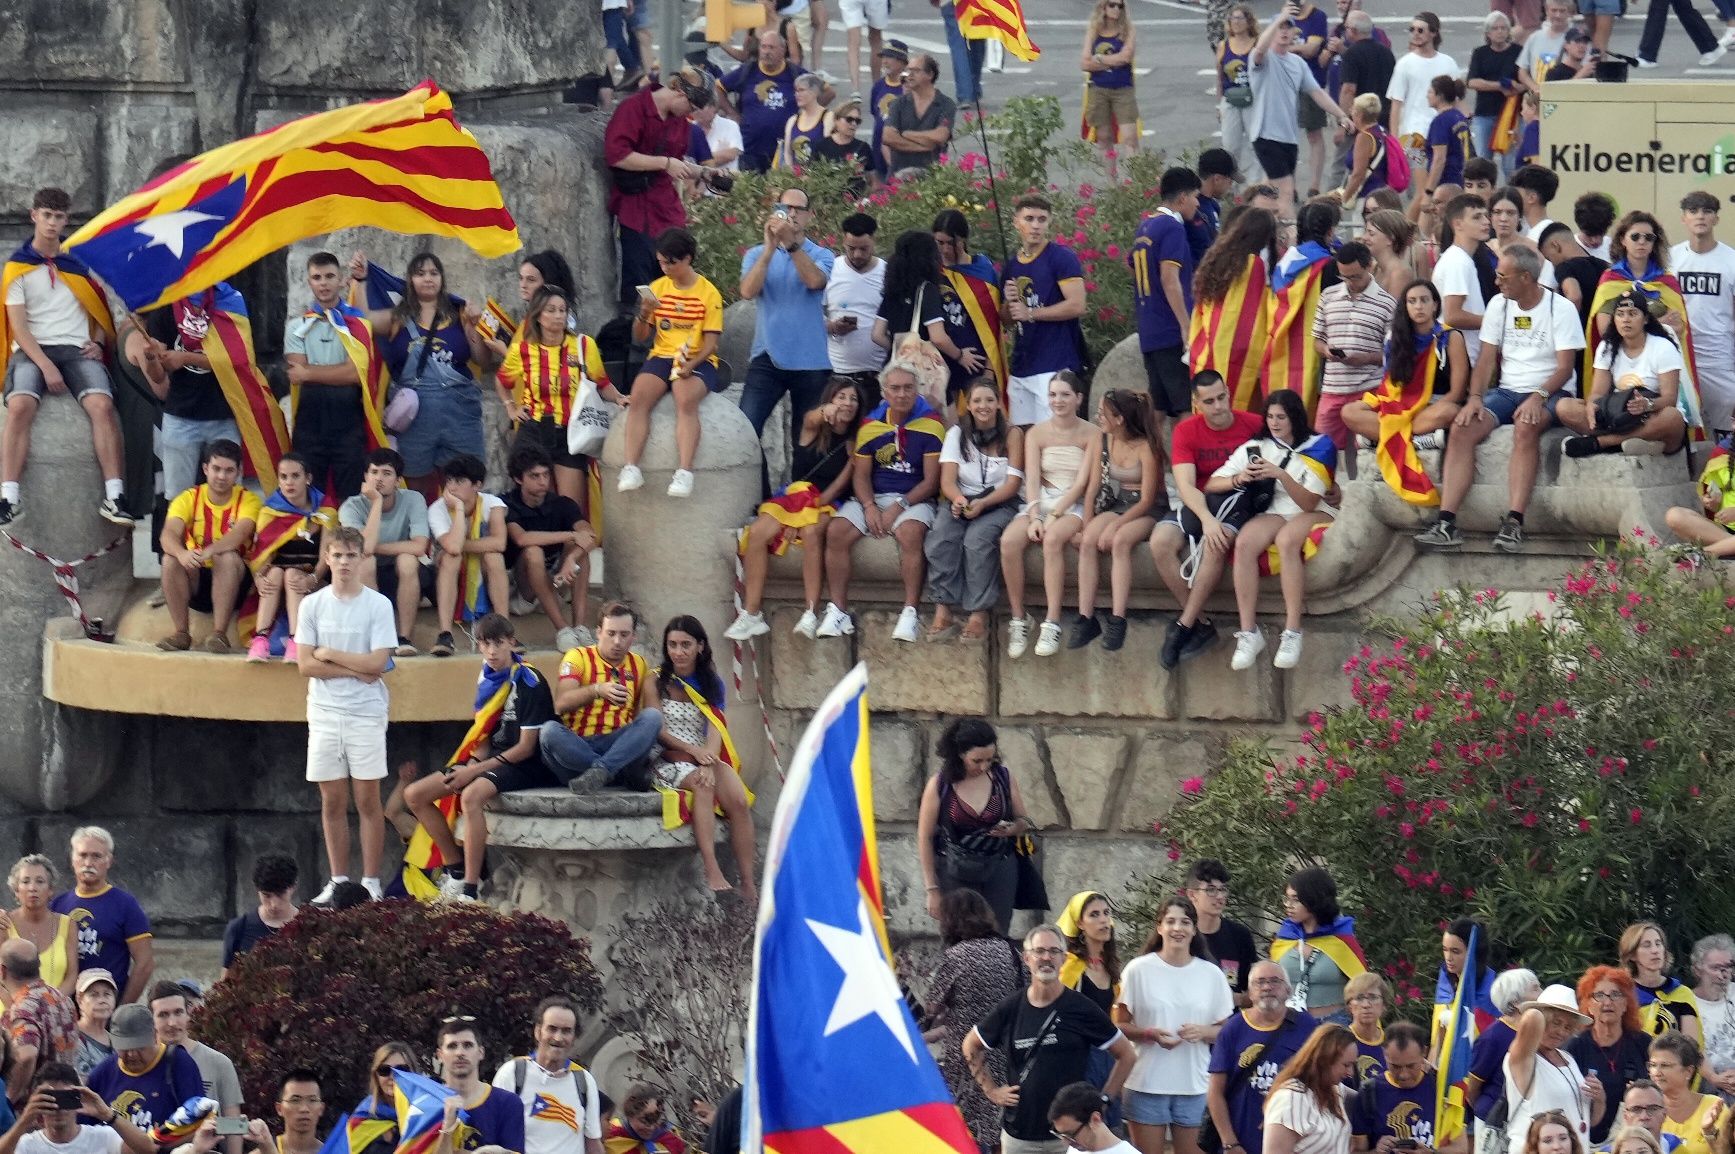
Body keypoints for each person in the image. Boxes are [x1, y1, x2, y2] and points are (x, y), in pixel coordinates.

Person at [1414, 243, 1583, 553]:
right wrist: (1475, 397)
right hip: (1507, 389)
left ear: (1526, 278)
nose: (1497, 282)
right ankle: (1447, 522)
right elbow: (1486, 360)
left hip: (1550, 388)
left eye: (1503, 276)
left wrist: (1538, 396)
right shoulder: (1498, 305)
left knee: (1525, 427)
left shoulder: (1561, 308)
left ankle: (1514, 521)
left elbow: (1565, 367)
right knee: (1463, 428)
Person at [0, 188, 132, 528]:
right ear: (34, 216)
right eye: (47, 215)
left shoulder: (79, 263)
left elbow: (100, 308)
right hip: (34, 350)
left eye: (59, 217)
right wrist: (45, 365)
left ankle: (114, 496)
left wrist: (99, 341)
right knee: (19, 407)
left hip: (76, 348)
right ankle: (8, 498)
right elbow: (18, 327)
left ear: (66, 219)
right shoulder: (17, 267)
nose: (52, 223)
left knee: (103, 406)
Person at [405, 613, 556, 901]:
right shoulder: (486, 674)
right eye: (485, 644)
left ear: (512, 642)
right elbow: (483, 735)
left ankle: (471, 890)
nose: (492, 651)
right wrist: (472, 764)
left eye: (498, 643)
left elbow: (526, 748)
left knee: (471, 796)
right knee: (415, 794)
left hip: (526, 764)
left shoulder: (530, 680)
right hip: (493, 758)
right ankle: (456, 870)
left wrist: (474, 773)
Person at [965, 924, 1137, 1154]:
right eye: (1039, 951)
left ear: (1064, 959)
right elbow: (970, 1045)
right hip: (1020, 1136)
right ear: (1027, 958)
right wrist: (991, 1090)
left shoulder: (1081, 1007)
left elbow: (1126, 1054)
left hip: (1071, 1139)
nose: (1046, 957)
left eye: (1054, 951)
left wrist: (1104, 1099)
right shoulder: (1011, 1007)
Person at [295, 526, 395, 904]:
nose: (343, 562)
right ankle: (338, 880)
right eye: (336, 555)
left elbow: (379, 661)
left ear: (361, 558)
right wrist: (355, 671)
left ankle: (371, 881)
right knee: (332, 801)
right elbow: (306, 664)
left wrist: (330, 653)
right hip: (323, 711)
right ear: (327, 558)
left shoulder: (377, 604)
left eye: (351, 555)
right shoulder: (312, 604)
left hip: (366, 712)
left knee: (368, 800)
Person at [817, 354, 945, 643]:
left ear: (917, 390)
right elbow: (860, 476)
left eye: (908, 388)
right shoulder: (870, 425)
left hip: (915, 498)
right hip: (874, 496)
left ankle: (910, 611)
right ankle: (838, 610)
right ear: (884, 392)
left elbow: (931, 481)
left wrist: (900, 506)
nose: (901, 394)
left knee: (910, 533)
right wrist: (869, 506)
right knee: (836, 531)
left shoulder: (931, 425)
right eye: (895, 388)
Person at [728, 377, 862, 642]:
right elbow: (813, 418)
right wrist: (825, 412)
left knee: (812, 532)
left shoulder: (856, 440)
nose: (847, 403)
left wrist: (803, 517)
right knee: (756, 534)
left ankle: (811, 611)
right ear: (830, 399)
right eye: (842, 397)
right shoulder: (812, 426)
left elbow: (841, 483)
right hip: (796, 494)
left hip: (827, 500)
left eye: (853, 399)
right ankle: (752, 613)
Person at [1152, 370, 1265, 671]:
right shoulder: (1187, 431)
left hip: (1240, 504)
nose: (1218, 406)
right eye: (1210, 401)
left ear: (1228, 392)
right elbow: (1186, 485)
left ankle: (1183, 624)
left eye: (1222, 397)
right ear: (1196, 403)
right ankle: (1200, 623)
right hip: (1201, 502)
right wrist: (1206, 519)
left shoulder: (1253, 424)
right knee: (1160, 542)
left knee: (1217, 544)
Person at [1220, 388, 1338, 671]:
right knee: (1245, 543)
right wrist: (1239, 477)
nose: (1274, 423)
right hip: (1275, 511)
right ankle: (1249, 633)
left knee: (1287, 541)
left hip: (1314, 510)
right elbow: (1214, 482)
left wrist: (1280, 474)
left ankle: (1293, 631)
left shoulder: (1320, 445)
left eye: (1281, 417)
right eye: (1270, 416)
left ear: (1295, 417)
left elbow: (1309, 502)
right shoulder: (1256, 446)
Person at [351, 251, 486, 496]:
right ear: (410, 280)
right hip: (417, 418)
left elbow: (482, 359)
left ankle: (462, 535)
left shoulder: (460, 315)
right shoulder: (398, 318)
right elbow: (363, 322)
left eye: (434, 273)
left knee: (465, 484)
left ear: (442, 279)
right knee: (415, 488)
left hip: (460, 415)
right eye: (420, 273)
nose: (428, 278)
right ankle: (422, 534)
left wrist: (472, 327)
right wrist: (360, 282)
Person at [1115, 896, 1235, 1154]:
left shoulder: (1211, 974)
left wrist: (1203, 1032)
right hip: (1146, 1082)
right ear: (1159, 927)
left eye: (1185, 922)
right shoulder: (1138, 970)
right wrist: (1149, 1034)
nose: (1177, 928)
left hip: (1194, 1084)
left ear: (1194, 928)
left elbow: (1227, 1031)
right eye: (1170, 921)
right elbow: (1119, 1026)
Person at [649, 615, 756, 903]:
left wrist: (708, 760)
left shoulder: (712, 683)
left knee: (739, 801)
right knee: (703, 785)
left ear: (700, 647)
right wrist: (697, 756)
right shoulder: (655, 679)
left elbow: (715, 726)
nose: (678, 651)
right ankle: (712, 869)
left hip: (702, 755)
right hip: (668, 758)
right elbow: (656, 731)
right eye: (672, 645)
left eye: (685, 644)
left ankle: (748, 883)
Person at [999, 371, 1101, 660]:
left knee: (1053, 540)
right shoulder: (1036, 433)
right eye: (1053, 394)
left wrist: (1054, 515)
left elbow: (1083, 483)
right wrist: (1033, 516)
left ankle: (1052, 621)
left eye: (1065, 394)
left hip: (1072, 503)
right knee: (1008, 542)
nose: (1058, 400)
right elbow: (1031, 478)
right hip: (1040, 500)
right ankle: (1019, 619)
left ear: (1078, 398)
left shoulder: (1092, 433)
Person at [496, 284, 622, 512]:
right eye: (551, 310)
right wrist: (510, 407)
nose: (558, 316)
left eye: (562, 310)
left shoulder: (583, 345)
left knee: (570, 507)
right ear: (538, 316)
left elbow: (601, 382)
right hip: (534, 429)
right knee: (531, 502)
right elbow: (502, 380)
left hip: (570, 432)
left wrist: (620, 398)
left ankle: (570, 546)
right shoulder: (522, 349)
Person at [620, 228, 724, 499]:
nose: (665, 268)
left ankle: (684, 471)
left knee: (684, 397)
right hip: (663, 355)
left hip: (697, 357)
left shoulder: (708, 293)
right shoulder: (657, 289)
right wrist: (644, 315)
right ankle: (631, 466)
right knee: (639, 396)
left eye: (670, 262)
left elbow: (712, 343)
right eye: (661, 262)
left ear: (687, 259)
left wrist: (691, 366)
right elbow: (640, 336)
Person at [1342, 279, 1467, 503]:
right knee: (1349, 412)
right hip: (1400, 405)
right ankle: (1416, 438)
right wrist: (1403, 412)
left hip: (1434, 405)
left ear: (1435, 305)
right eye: (1412, 301)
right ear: (1405, 307)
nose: (1418, 306)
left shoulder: (1450, 337)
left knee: (1449, 411)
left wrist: (1418, 410)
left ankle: (1380, 438)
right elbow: (1389, 387)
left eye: (1424, 300)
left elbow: (1457, 392)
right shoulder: (1396, 338)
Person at [923, 889, 1028, 1154]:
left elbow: (932, 1007)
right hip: (1005, 1055)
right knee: (1000, 1130)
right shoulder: (1012, 952)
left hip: (966, 1060)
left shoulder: (956, 956)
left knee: (964, 1132)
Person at [925, 381, 1024, 644]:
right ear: (968, 405)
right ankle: (943, 609)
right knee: (941, 536)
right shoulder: (957, 434)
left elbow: (1013, 483)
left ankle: (978, 613)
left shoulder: (1012, 434)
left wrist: (984, 504)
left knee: (977, 540)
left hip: (1000, 501)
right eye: (977, 401)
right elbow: (947, 481)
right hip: (962, 497)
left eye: (989, 400)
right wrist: (958, 500)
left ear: (998, 404)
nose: (984, 406)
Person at [604, 68, 709, 311]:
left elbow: (677, 164)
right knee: (640, 286)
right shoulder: (634, 109)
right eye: (691, 107)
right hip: (636, 209)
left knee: (673, 280)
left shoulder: (678, 122)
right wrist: (664, 163)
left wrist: (706, 173)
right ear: (680, 92)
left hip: (667, 210)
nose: (691, 114)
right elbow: (617, 156)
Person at [917, 718, 1032, 935]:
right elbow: (924, 837)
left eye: (989, 759)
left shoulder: (1003, 777)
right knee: (960, 937)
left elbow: (1023, 820)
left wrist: (1012, 829)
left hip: (999, 866)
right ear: (960, 754)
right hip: (955, 872)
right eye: (976, 760)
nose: (984, 766)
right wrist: (932, 889)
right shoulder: (940, 785)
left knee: (997, 936)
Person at [1070, 389, 1162, 652]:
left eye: (1103, 413)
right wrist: (1087, 524)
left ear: (1119, 419)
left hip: (1146, 509)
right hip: (1117, 502)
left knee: (1119, 541)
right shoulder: (1103, 440)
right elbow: (1094, 487)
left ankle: (1117, 618)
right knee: (1089, 541)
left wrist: (1115, 526)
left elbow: (1147, 500)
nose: (1098, 417)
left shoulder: (1147, 446)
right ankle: (1086, 617)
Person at [539, 602, 664, 794]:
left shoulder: (639, 664)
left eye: (624, 635)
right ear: (598, 632)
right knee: (549, 732)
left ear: (634, 636)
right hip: (579, 744)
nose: (617, 642)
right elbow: (562, 703)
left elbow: (639, 720)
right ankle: (617, 772)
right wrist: (597, 690)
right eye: (611, 633)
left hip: (617, 743)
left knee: (653, 717)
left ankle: (602, 771)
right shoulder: (578, 656)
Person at [285, 252, 379, 502]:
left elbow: (356, 374)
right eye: (317, 277)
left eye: (329, 276)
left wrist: (311, 372)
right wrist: (337, 372)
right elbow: (296, 374)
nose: (323, 283)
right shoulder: (296, 326)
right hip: (309, 422)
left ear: (340, 280)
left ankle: (348, 542)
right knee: (309, 497)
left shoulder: (358, 323)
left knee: (351, 496)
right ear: (309, 282)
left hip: (348, 423)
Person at [1248, 5, 1353, 218]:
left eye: (1289, 28)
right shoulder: (1264, 58)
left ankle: (1248, 224)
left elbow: (1317, 93)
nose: (1285, 32)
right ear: (1273, 31)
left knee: (1268, 189)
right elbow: (1259, 50)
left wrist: (1341, 115)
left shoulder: (1297, 63)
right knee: (1286, 192)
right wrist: (1280, 18)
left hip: (1289, 137)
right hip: (1266, 135)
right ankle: (1292, 242)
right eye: (1281, 28)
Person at [155, 440, 260, 653]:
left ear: (239, 472)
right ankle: (181, 633)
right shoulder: (188, 498)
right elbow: (167, 535)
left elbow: (241, 533)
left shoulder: (249, 500)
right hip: (196, 580)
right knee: (169, 560)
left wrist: (210, 551)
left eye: (229, 470)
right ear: (205, 469)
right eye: (216, 469)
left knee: (226, 556)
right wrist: (182, 554)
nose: (221, 476)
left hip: (236, 582)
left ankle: (219, 634)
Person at [1559, 290, 1688, 459]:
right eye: (1620, 314)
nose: (1625, 319)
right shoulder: (1607, 346)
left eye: (1632, 314)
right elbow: (1598, 392)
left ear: (1646, 319)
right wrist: (1592, 404)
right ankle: (1627, 443)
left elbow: (1670, 399)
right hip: (1618, 417)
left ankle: (1602, 443)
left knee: (1673, 417)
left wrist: (1646, 405)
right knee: (1565, 407)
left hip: (1651, 416)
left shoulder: (1663, 347)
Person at [1207, 962, 1318, 1154]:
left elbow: (1322, 1080)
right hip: (1242, 1141)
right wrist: (1230, 1143)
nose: (1267, 987)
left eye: (1275, 981)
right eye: (1260, 982)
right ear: (1250, 993)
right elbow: (1215, 1092)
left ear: (1288, 990)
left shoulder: (1307, 1026)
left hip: (1293, 1141)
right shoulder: (1233, 1029)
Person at [1004, 195, 1089, 429]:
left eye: (1042, 219)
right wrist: (1008, 303)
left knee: (1055, 434)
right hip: (1022, 364)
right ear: (1016, 222)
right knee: (1022, 434)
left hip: (1055, 362)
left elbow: (1077, 305)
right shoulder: (1012, 265)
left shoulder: (1061, 258)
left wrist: (1031, 313)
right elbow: (1007, 319)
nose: (1035, 225)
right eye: (1029, 218)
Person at [503, 446, 595, 654]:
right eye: (534, 476)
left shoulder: (562, 503)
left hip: (557, 581)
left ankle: (579, 627)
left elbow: (588, 535)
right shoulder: (507, 503)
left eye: (545, 474)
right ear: (519, 479)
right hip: (522, 591)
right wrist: (570, 535)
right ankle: (562, 630)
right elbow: (522, 538)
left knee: (580, 548)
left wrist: (573, 558)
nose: (543, 481)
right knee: (533, 551)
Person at [873, 230, 985, 401]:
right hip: (924, 374)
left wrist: (902, 349)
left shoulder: (892, 291)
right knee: (946, 425)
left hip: (895, 372)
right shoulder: (927, 290)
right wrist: (960, 356)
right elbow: (938, 337)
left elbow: (877, 335)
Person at [244, 452, 334, 664]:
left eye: (295, 476)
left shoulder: (326, 509)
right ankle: (261, 640)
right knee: (274, 573)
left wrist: (311, 579)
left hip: (313, 579)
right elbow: (263, 556)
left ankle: (296, 641)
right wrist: (259, 578)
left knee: (293, 574)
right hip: (277, 581)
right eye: (283, 477)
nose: (289, 482)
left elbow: (325, 558)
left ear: (308, 478)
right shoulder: (270, 510)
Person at [1187, 209, 1280, 413]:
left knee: (1210, 410)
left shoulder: (1218, 257)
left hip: (1208, 344)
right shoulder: (1252, 264)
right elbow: (1254, 311)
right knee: (1236, 410)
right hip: (1237, 349)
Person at [1131, 169, 1202, 434]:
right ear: (1183, 197)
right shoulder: (1172, 227)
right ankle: (1185, 468)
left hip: (1149, 329)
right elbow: (1169, 278)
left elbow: (1133, 264)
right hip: (1170, 329)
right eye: (1195, 197)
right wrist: (1185, 325)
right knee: (1185, 405)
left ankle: (1154, 469)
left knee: (1158, 407)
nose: (1197, 203)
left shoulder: (1146, 225)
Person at [339, 448, 429, 657]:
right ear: (365, 477)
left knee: (407, 560)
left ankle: (404, 638)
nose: (379, 479)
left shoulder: (413, 499)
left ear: (398, 480)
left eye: (387, 473)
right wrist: (377, 502)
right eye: (374, 472)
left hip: (402, 576)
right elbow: (364, 551)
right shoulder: (351, 507)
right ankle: (381, 636)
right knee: (365, 561)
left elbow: (418, 546)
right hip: (364, 578)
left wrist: (375, 548)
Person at [48, 830, 153, 1006]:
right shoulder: (57, 904)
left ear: (109, 861)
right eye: (83, 855)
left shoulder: (125, 904)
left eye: (96, 856)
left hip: (106, 1010)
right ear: (73, 859)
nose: (88, 862)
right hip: (63, 1011)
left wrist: (122, 1009)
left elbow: (145, 963)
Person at [491, 996, 603, 1154]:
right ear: (538, 1031)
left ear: (574, 1037)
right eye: (552, 1029)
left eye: (566, 1031)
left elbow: (592, 1142)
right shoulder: (512, 1073)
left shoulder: (584, 1081)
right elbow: (493, 1134)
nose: (558, 1038)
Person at [1312, 242, 1396, 449]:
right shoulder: (1328, 296)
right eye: (1344, 276)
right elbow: (1316, 340)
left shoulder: (1387, 303)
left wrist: (1366, 358)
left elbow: (1394, 353)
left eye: (1355, 276)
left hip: (1369, 390)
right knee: (1321, 452)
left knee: (1366, 451)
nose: (1350, 282)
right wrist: (1326, 351)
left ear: (1370, 266)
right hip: (1332, 388)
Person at [425, 454, 508, 657]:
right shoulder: (437, 508)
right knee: (452, 558)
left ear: (477, 485)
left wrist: (462, 545)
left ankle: (505, 630)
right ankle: (445, 634)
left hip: (482, 572)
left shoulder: (492, 503)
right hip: (447, 576)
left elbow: (499, 543)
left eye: (460, 481)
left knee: (493, 556)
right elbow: (453, 549)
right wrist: (460, 509)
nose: (452, 487)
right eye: (449, 481)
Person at [84, 1003, 204, 1130]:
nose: (132, 1055)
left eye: (140, 1047)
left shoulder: (178, 1063)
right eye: (124, 1048)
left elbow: (199, 1120)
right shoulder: (102, 1074)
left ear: (154, 1037)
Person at [1672, 192, 1735, 436]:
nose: (1700, 216)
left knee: (1724, 428)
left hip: (1719, 355)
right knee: (1683, 424)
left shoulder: (1731, 260)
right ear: (1683, 218)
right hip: (1680, 354)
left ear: (1716, 219)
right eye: (1693, 211)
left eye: (1707, 211)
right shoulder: (1670, 258)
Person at [1567, 968, 1653, 1146]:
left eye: (1616, 994)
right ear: (1589, 1005)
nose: (1607, 1002)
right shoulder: (1576, 1047)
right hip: (1589, 1141)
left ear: (1626, 1004)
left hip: (1636, 1139)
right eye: (1599, 995)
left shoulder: (1643, 1043)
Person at [1272, 867, 1368, 1023]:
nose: (1288, 905)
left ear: (1314, 899)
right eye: (1287, 898)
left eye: (1296, 899)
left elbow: (1363, 987)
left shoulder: (1341, 939)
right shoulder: (1285, 937)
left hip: (1334, 1025)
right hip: (1289, 1024)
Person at [144, 982, 240, 1135]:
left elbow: (235, 1124)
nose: (172, 1023)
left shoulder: (219, 1063)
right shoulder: (140, 1063)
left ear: (188, 1014)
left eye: (178, 1012)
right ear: (151, 1020)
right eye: (163, 1015)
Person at [1507, 986, 1599, 1145]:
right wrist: (1537, 1007)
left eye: (1568, 1027)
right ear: (1543, 1019)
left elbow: (1587, 1119)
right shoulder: (1523, 1059)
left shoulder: (1568, 1059)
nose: (1561, 1032)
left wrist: (1600, 1098)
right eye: (1556, 1023)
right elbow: (1531, 1018)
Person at [2, 1062, 156, 1154]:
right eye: (50, 1099)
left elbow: (147, 1150)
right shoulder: (25, 1144)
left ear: (78, 1098)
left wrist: (108, 1115)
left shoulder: (102, 1137)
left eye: (66, 1098)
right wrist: (24, 1121)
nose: (58, 1108)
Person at [1387, 14, 1460, 195]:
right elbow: (1396, 105)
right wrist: (1394, 141)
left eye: (1421, 30)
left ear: (1434, 33)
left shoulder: (1448, 62)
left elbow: (1457, 99)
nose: (1415, 34)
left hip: (1441, 134)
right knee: (1423, 191)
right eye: (1412, 29)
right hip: (1412, 137)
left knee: (1440, 188)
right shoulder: (1404, 64)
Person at [720, 32, 811, 174]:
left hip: (784, 150)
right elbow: (718, 87)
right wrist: (733, 114)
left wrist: (807, 115)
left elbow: (826, 91)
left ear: (783, 50)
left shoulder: (794, 73)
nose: (767, 52)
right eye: (764, 47)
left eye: (771, 48)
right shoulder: (748, 71)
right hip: (750, 148)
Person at [433, 1019, 526, 1153]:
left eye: (468, 1045)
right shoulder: (429, 1105)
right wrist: (447, 1127)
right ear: (440, 1055)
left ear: (481, 1052)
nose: (460, 1053)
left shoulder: (507, 1103)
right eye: (452, 1046)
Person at [1263, 1025, 1359, 1154]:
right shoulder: (1289, 1099)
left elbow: (1362, 1098)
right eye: (1346, 1065)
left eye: (1353, 1065)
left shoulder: (1334, 1089)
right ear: (1324, 1060)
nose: (1350, 1073)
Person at [823, 214, 887, 399]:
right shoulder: (830, 270)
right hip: (838, 373)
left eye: (864, 249)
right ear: (843, 241)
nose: (857, 255)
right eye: (852, 248)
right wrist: (832, 326)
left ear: (873, 241)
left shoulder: (887, 273)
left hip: (878, 373)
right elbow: (810, 316)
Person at [1, 941, 76, 1099]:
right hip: (64, 1103)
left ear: (2, 971)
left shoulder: (23, 1007)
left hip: (34, 1111)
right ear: (38, 965)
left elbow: (26, 1055)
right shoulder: (62, 999)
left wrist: (9, 1097)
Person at [1431, 194, 1491, 370]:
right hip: (1459, 360)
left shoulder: (1460, 259)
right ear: (1457, 224)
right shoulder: (1457, 261)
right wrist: (1495, 321)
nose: (1486, 221)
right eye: (1477, 217)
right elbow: (1453, 316)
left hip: (1464, 356)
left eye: (1485, 215)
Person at [2, 857, 74, 1000]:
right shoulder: (4, 924)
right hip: (10, 1015)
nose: (32, 888)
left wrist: (50, 1006)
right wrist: (21, 1009)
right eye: (25, 881)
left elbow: (71, 977)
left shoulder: (68, 925)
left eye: (40, 881)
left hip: (53, 1013)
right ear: (16, 890)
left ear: (50, 890)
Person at [1184, 861, 1258, 1002]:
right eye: (1211, 890)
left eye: (1223, 889)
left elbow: (1255, 991)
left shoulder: (1239, 935)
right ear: (1192, 895)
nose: (1219, 896)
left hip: (1229, 1020)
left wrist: (1233, 999)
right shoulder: (1181, 935)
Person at [1622, 924, 1705, 1046]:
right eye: (1647, 945)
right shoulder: (1623, 995)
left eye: (1658, 943)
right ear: (1632, 954)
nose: (1655, 950)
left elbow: (1692, 1048)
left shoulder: (1682, 993)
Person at [1082, 0, 1140, 165]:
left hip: (1123, 88)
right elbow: (1085, 63)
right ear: (1104, 7)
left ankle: (1134, 181)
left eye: (1120, 6)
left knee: (1130, 137)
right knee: (1104, 137)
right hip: (1099, 88)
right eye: (1112, 5)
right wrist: (1113, 60)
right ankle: (1112, 184)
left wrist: (1099, 59)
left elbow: (1126, 57)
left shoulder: (1128, 30)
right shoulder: (1094, 30)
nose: (1116, 9)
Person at [218, 855, 296, 979]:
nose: (274, 904)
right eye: (266, 895)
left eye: (280, 894)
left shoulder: (311, 924)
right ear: (257, 890)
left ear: (293, 887)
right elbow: (226, 983)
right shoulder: (238, 928)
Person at [882, 55, 956, 175]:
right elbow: (888, 137)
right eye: (908, 70)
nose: (909, 75)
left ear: (930, 75)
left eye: (915, 71)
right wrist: (923, 147)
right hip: (898, 175)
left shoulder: (946, 104)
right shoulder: (898, 103)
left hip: (931, 177)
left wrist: (906, 134)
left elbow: (940, 136)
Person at [1665, 432, 1735, 559]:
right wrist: (1711, 502)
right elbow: (1713, 502)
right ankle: (1727, 547)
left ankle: (1704, 553)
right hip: (1723, 532)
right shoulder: (1723, 460)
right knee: (1675, 516)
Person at [1648, 1034, 1719, 1154]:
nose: (1656, 1072)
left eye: (1665, 1065)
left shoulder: (1714, 1107)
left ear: (1688, 1071)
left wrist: (1709, 1133)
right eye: (1653, 1065)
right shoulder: (1644, 1109)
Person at [1466, 14, 1521, 169]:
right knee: (1482, 162)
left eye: (1503, 28)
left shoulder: (1518, 52)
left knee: (1510, 164)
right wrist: (1499, 86)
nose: (1500, 32)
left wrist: (1515, 87)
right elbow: (1472, 82)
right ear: (1488, 33)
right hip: (1484, 114)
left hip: (1510, 115)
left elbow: (1525, 82)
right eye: (1495, 28)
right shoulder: (1480, 53)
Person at [1219, 7, 1262, 187]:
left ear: (1248, 21)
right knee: (1230, 147)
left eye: (1239, 18)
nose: (1235, 22)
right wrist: (1218, 104)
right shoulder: (1224, 45)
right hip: (1230, 100)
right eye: (1232, 19)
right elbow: (1219, 76)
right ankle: (1232, 188)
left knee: (1256, 146)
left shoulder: (1257, 43)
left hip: (1253, 100)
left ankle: (1254, 187)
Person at [1538, 223, 1611, 331]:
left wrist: (1567, 328)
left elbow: (1574, 296)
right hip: (1601, 335)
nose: (1552, 263)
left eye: (1549, 258)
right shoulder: (1604, 265)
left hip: (1581, 337)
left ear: (1555, 246)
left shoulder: (1564, 268)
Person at [1690, 938, 1735, 1095]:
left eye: (1728, 967)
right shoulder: (1687, 1003)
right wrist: (1715, 1078)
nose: (1723, 975)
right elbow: (1690, 1049)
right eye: (1716, 968)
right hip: (1708, 1086)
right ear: (1697, 970)